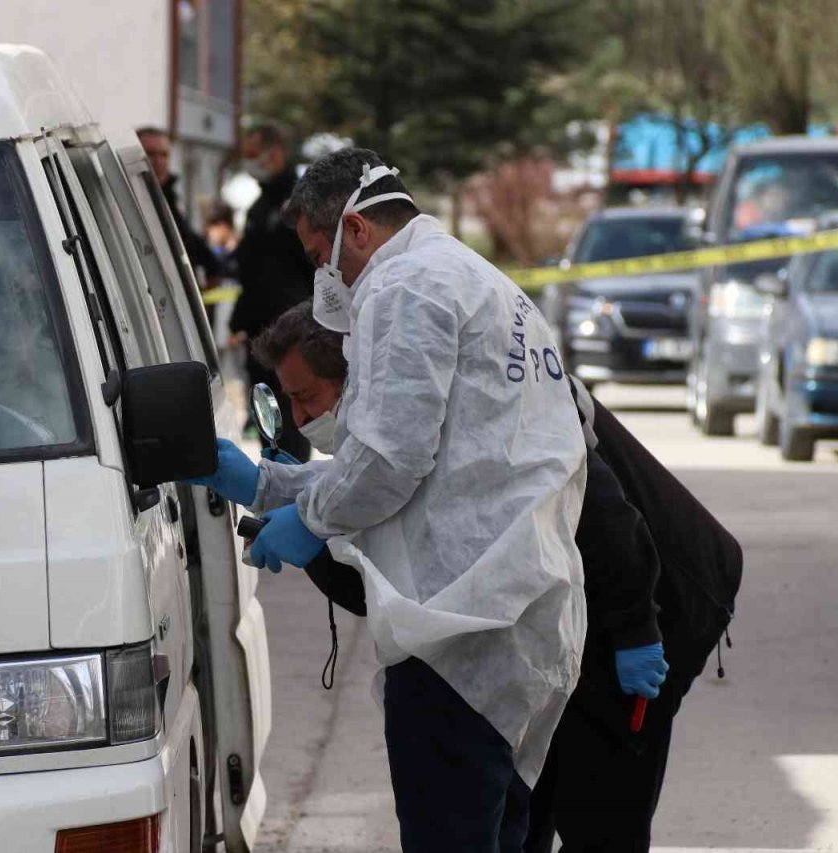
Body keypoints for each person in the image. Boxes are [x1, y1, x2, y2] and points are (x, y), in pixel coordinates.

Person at [191, 148, 593, 851]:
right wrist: (267, 484)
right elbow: (435, 464)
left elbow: (389, 460)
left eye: (322, 256)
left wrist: (309, 518)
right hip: (519, 620)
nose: (327, 278)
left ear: (356, 230)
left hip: (458, 633)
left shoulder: (403, 284)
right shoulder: (474, 278)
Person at [251, 301, 673, 851]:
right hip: (527, 654)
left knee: (600, 823)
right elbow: (379, 585)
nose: (300, 420)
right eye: (289, 404)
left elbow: (612, 526)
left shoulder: (477, 432)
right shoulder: (382, 458)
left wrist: (638, 631)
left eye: (306, 398)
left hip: (630, 623)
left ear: (359, 381)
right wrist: (311, 536)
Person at [229, 123, 314, 461]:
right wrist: (239, 321)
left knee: (292, 422)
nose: (249, 164)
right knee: (268, 422)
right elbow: (250, 272)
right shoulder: (261, 206)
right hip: (261, 334)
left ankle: (293, 496)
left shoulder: (299, 205)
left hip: (292, 331)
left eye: (253, 156)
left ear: (274, 153)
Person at [136, 127, 223, 286]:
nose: (158, 161)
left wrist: (213, 266)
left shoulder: (169, 197)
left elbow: (185, 239)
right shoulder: (133, 198)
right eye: (150, 153)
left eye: (164, 154)